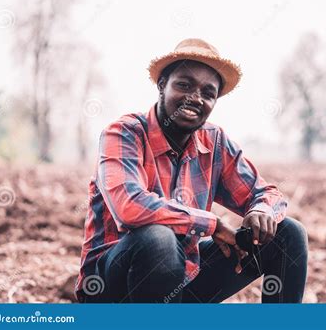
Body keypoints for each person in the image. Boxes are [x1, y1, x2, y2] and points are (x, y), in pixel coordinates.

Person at [75, 38, 308, 303]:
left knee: (288, 234)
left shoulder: (215, 142)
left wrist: (261, 211)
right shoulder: (125, 133)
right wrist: (213, 224)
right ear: (162, 86)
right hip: (113, 290)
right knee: (159, 239)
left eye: (208, 93)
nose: (195, 98)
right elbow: (129, 206)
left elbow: (266, 193)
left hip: (182, 281)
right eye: (184, 85)